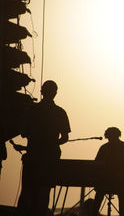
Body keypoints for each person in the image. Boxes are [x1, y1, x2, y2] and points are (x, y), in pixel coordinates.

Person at [18, 80, 71, 216]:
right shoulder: (60, 112)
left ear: (42, 92)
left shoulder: (32, 110)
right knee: (44, 190)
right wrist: (52, 143)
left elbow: (24, 133)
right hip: (50, 158)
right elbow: (64, 138)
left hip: (33, 156)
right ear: (55, 94)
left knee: (28, 190)